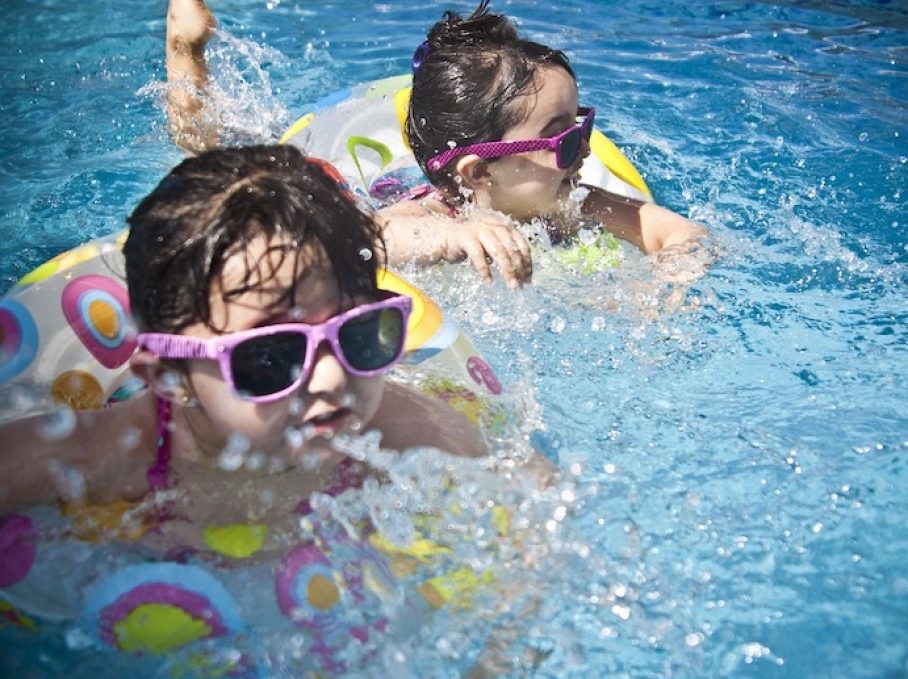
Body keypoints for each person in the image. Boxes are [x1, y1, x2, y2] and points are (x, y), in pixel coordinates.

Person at [0, 145, 485, 543]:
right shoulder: (100, 459)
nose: (333, 377)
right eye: (272, 356)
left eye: (359, 334)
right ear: (169, 377)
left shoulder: (406, 433)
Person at [163, 0, 707, 289]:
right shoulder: (431, 211)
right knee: (217, 167)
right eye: (560, 141)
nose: (583, 152)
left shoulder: (577, 203)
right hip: (370, 189)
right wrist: (447, 238)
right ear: (477, 174)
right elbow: (357, 243)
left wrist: (666, 285)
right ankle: (186, 50)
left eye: (581, 128)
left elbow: (676, 232)